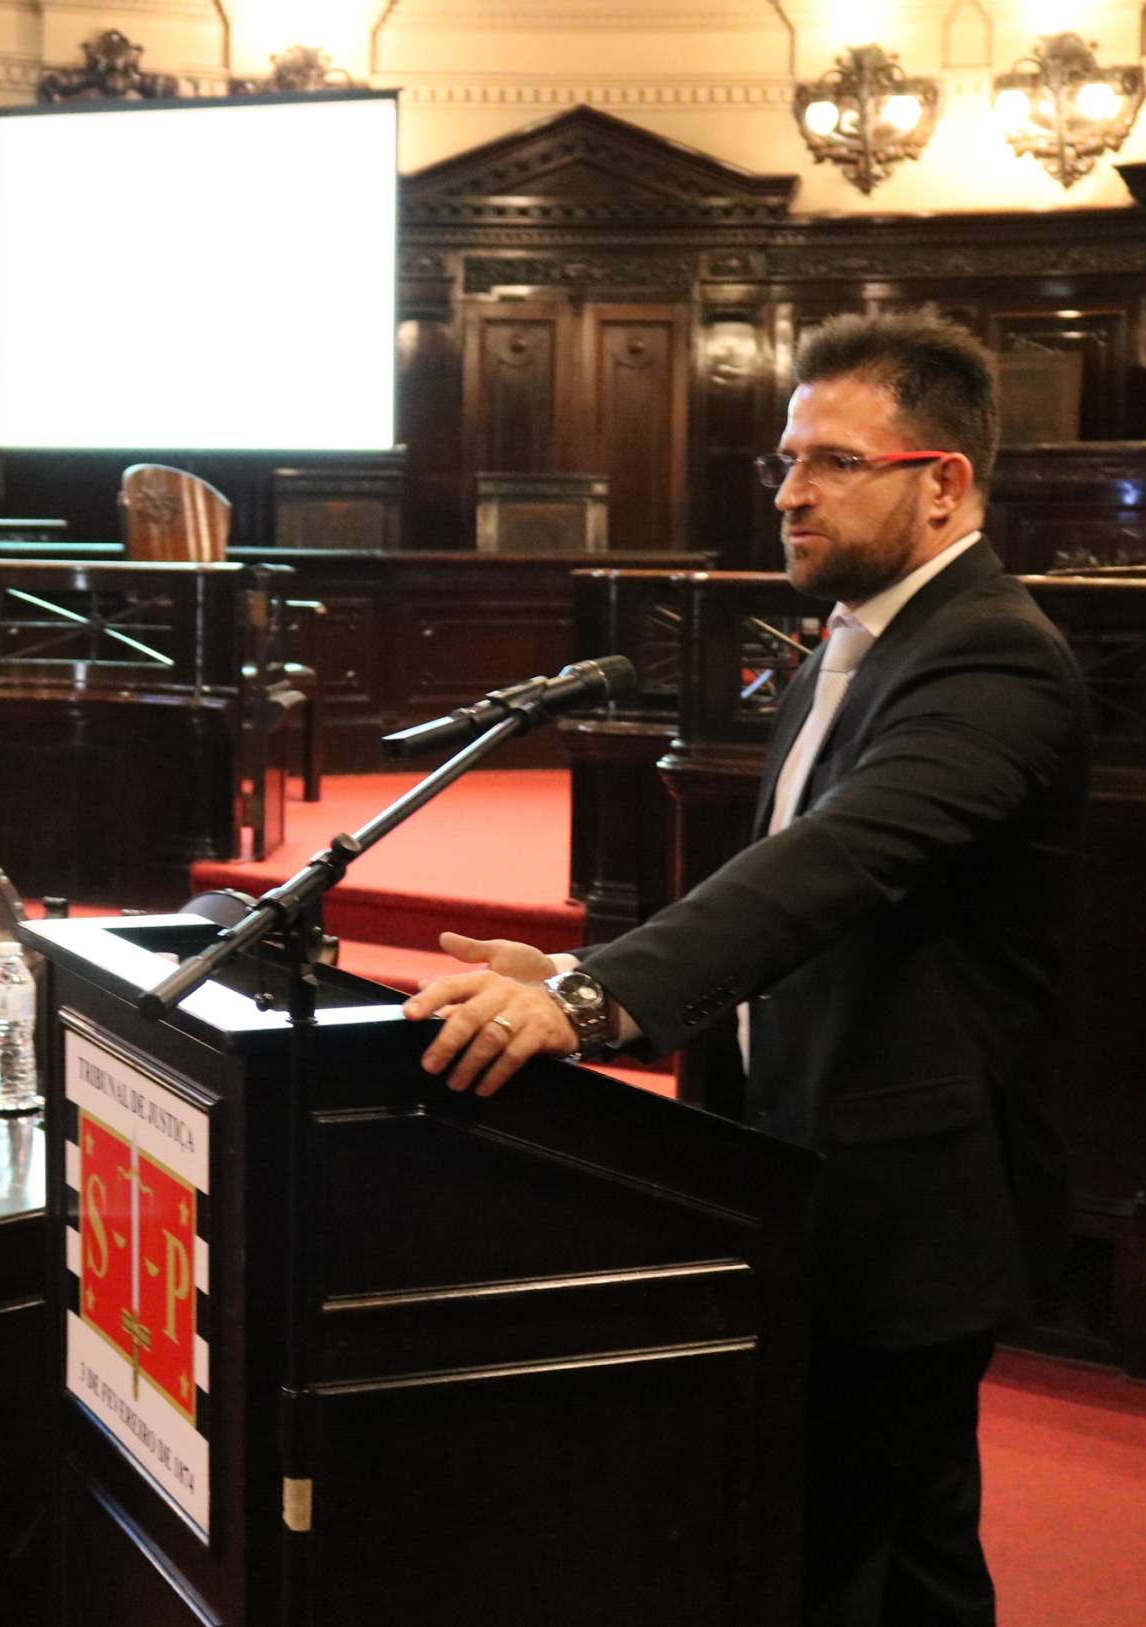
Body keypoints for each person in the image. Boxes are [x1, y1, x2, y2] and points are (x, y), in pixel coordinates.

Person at [402, 310, 1090, 1627]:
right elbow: (785, 910)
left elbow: (839, 862)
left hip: (907, 1193)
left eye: (835, 461)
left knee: (843, 1545)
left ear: (943, 483)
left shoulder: (993, 654)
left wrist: (586, 1001)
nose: (789, 493)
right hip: (796, 1160)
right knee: (907, 1546)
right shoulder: (854, 641)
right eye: (786, 460)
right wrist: (579, 963)